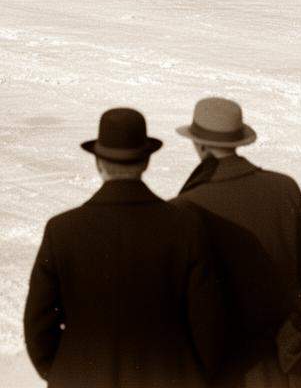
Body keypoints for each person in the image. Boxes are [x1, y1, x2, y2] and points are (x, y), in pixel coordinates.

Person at [24, 108, 224, 388]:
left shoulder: (62, 230)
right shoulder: (186, 226)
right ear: (146, 162)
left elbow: (37, 326)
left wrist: (64, 372)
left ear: (98, 163)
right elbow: (208, 324)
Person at [175, 97, 301, 388]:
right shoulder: (284, 187)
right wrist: (288, 327)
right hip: (292, 359)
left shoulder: (187, 206)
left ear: (199, 145)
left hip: (235, 366)